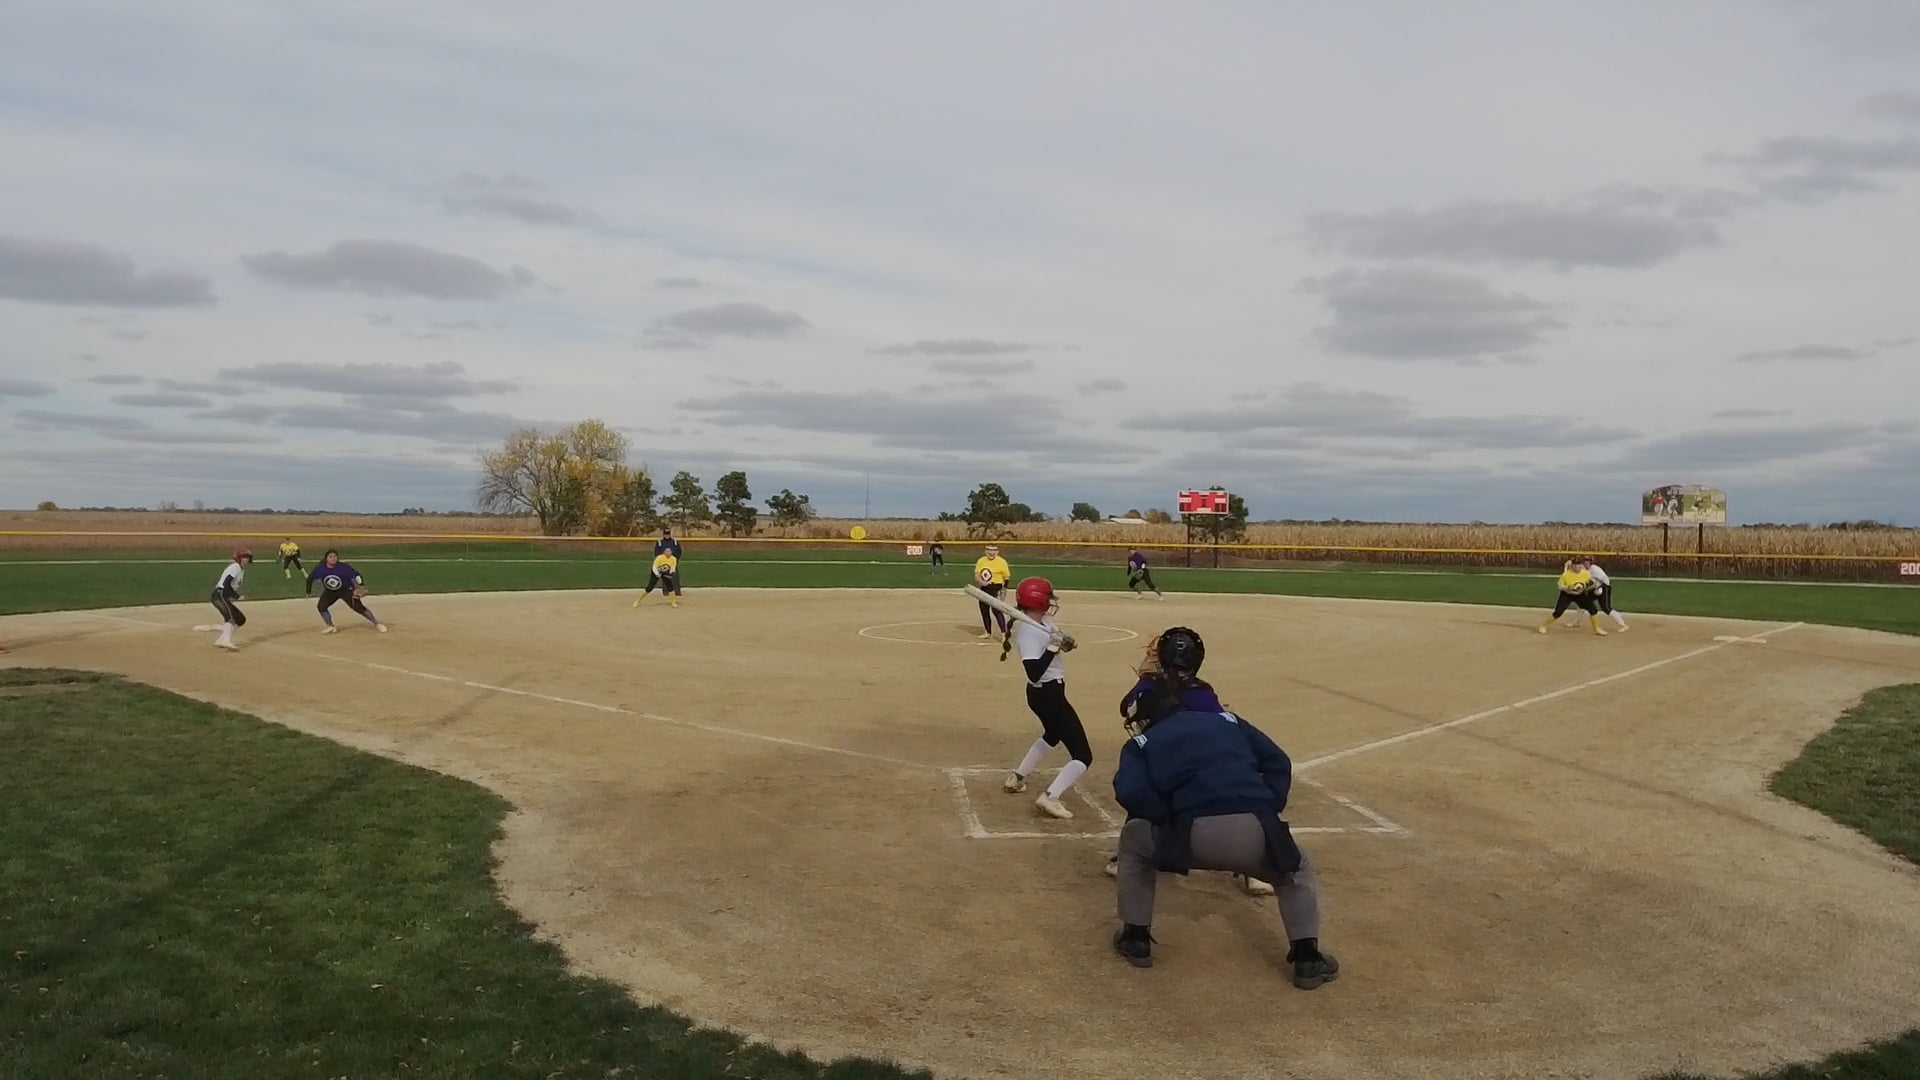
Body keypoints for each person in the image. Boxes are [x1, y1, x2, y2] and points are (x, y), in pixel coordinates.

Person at [1109, 626, 1338, 988]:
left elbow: (1131, 793)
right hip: (1254, 832)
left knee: (1134, 839)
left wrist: (1167, 816)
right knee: (1296, 870)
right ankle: (1307, 958)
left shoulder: (1145, 740)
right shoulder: (1230, 722)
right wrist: (1266, 807)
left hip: (1187, 838)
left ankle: (1135, 938)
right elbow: (1278, 762)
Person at [1108, 633, 1273, 897]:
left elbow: (1125, 707)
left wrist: (1146, 678)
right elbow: (1220, 722)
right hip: (1199, 760)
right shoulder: (1200, 691)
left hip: (1164, 757)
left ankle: (1124, 857)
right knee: (1238, 790)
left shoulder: (1149, 685)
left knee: (1146, 793)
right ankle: (1252, 871)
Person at [1000, 577, 1091, 819]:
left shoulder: (1043, 622)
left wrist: (1063, 643)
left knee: (1052, 735)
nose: (1051, 601)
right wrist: (1052, 648)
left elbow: (1055, 641)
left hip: (1046, 694)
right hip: (1047, 694)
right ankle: (1051, 797)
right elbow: (1033, 672)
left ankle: (1018, 777)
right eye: (1048, 597)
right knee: (1083, 755)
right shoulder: (1029, 631)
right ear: (1038, 600)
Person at [305, 549, 387, 634]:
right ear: (326, 558)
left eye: (335, 556)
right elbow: (310, 579)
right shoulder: (320, 569)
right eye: (330, 557)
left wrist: (361, 585)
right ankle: (331, 626)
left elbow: (357, 575)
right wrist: (308, 592)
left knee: (359, 607)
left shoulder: (343, 567)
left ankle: (377, 624)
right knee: (321, 607)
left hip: (346, 590)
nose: (333, 558)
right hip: (330, 592)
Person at [1539, 559, 1606, 636]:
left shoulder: (1585, 573)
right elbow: (1560, 586)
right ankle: (1543, 626)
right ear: (1573, 565)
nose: (1579, 566)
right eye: (1577, 564)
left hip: (1580, 595)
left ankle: (1597, 629)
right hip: (1567, 595)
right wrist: (1567, 587)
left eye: (1580, 564)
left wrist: (1589, 587)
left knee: (1593, 609)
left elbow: (1591, 583)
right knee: (1558, 612)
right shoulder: (1566, 575)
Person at [210, 547, 252, 651]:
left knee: (240, 619)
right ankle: (226, 640)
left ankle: (221, 639)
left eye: (247, 557)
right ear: (239, 558)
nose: (246, 559)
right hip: (220, 594)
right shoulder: (235, 567)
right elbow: (226, 584)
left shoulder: (240, 569)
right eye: (244, 557)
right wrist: (237, 596)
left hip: (223, 596)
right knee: (230, 618)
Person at [1577, 556, 1628, 632]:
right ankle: (1577, 622)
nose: (1586, 563)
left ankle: (1623, 625)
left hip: (1604, 587)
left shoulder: (1595, 570)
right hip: (1594, 588)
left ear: (1590, 562)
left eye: (1587, 561)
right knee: (1583, 601)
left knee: (1606, 608)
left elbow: (1605, 580)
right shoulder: (1583, 570)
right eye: (1584, 561)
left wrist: (1597, 588)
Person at [972, 544, 1012, 639]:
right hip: (984, 588)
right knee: (984, 610)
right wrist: (982, 582)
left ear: (997, 552)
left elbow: (1006, 577)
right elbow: (977, 574)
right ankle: (987, 632)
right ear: (985, 551)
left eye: (994, 550)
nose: (991, 552)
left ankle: (1003, 634)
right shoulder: (981, 561)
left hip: (996, 587)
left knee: (997, 611)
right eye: (989, 550)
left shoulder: (1001, 562)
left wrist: (1004, 590)